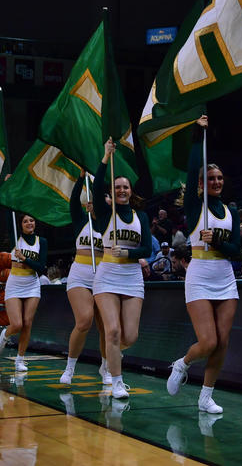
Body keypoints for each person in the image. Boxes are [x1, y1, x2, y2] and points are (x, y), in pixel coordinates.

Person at [166, 116, 242, 415]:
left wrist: (219, 242)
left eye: (219, 178)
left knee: (222, 343)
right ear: (201, 183)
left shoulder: (231, 211)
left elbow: (237, 251)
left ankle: (206, 396)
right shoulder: (195, 207)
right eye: (210, 179)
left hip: (225, 276)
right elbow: (191, 166)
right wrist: (199, 134)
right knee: (208, 341)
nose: (216, 182)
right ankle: (182, 364)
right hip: (199, 275)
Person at [91, 140, 151, 399]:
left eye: (125, 187)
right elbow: (95, 189)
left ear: (130, 190)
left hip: (132, 277)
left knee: (130, 335)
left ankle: (111, 354)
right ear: (112, 192)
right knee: (112, 331)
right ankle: (116, 381)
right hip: (107, 276)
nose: (122, 190)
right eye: (117, 187)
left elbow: (147, 249)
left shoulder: (142, 217)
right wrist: (105, 157)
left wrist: (128, 253)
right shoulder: (105, 213)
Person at [58, 175, 109, 386]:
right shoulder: (82, 220)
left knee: (106, 326)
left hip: (104, 276)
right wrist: (80, 180)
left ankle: (106, 366)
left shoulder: (109, 224)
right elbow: (72, 201)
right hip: (80, 275)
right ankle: (70, 368)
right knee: (84, 320)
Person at [0, 213, 49, 372]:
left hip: (32, 284)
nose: (29, 223)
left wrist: (25, 259)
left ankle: (20, 359)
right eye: (25, 221)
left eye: (32, 220)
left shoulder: (42, 242)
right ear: (21, 224)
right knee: (17, 324)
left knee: (27, 324)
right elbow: (8, 217)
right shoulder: (15, 240)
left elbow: (41, 268)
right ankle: (5, 334)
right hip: (15, 284)